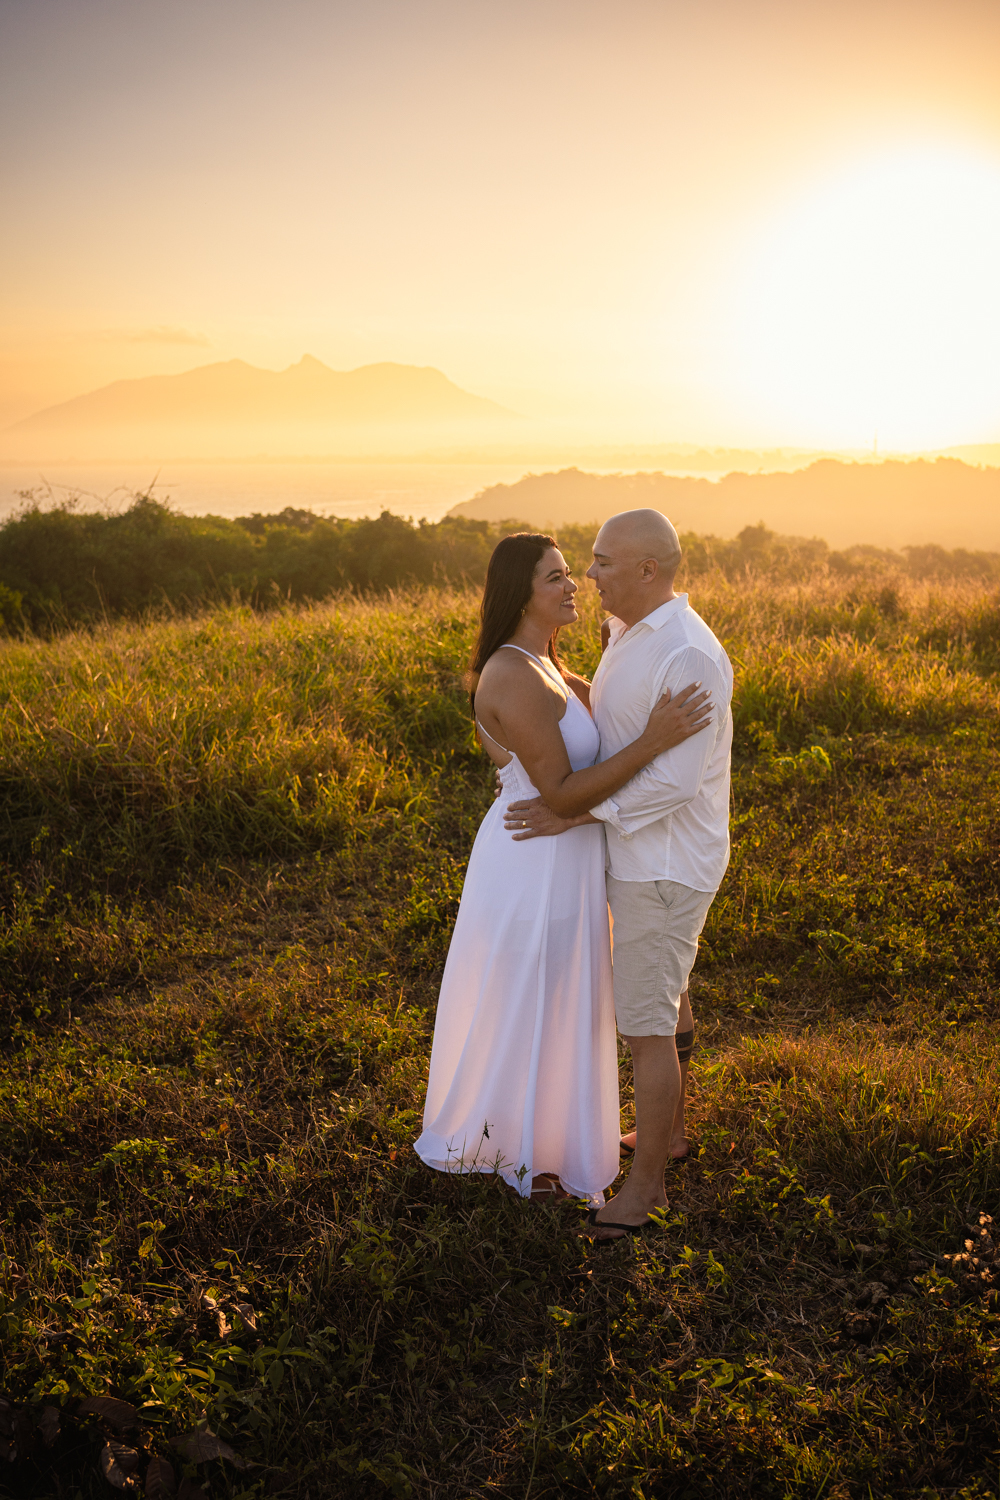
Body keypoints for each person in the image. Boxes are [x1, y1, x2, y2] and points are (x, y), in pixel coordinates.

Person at [414, 532, 713, 1206]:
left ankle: (565, 1137)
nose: (573, 583)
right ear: (522, 591)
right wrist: (656, 741)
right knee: (536, 998)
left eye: (573, 572)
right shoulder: (512, 672)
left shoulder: (550, 662)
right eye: (556, 577)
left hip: (573, 852)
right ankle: (523, 1151)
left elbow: (598, 720)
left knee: (570, 996)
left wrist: (625, 658)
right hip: (535, 854)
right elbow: (560, 794)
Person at [505, 510, 733, 1239]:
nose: (588, 574)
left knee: (644, 1028)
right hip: (641, 857)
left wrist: (580, 816)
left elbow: (677, 783)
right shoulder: (628, 631)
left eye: (602, 561)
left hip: (663, 865)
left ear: (647, 571)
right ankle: (668, 1136)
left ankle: (644, 1194)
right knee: (668, 999)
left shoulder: (689, 656)